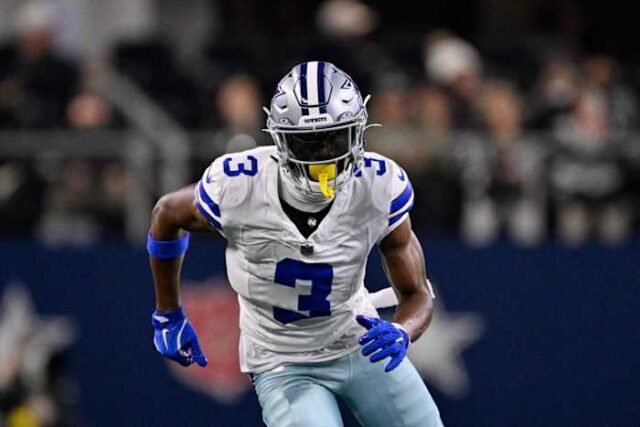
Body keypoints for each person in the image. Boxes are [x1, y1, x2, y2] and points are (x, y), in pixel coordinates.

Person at [147, 61, 443, 427]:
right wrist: (168, 313)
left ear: (358, 132)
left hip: (357, 340)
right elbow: (167, 214)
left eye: (334, 138)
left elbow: (417, 294)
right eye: (309, 142)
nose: (324, 155)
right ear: (280, 139)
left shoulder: (378, 185)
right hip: (282, 361)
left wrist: (401, 330)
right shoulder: (239, 186)